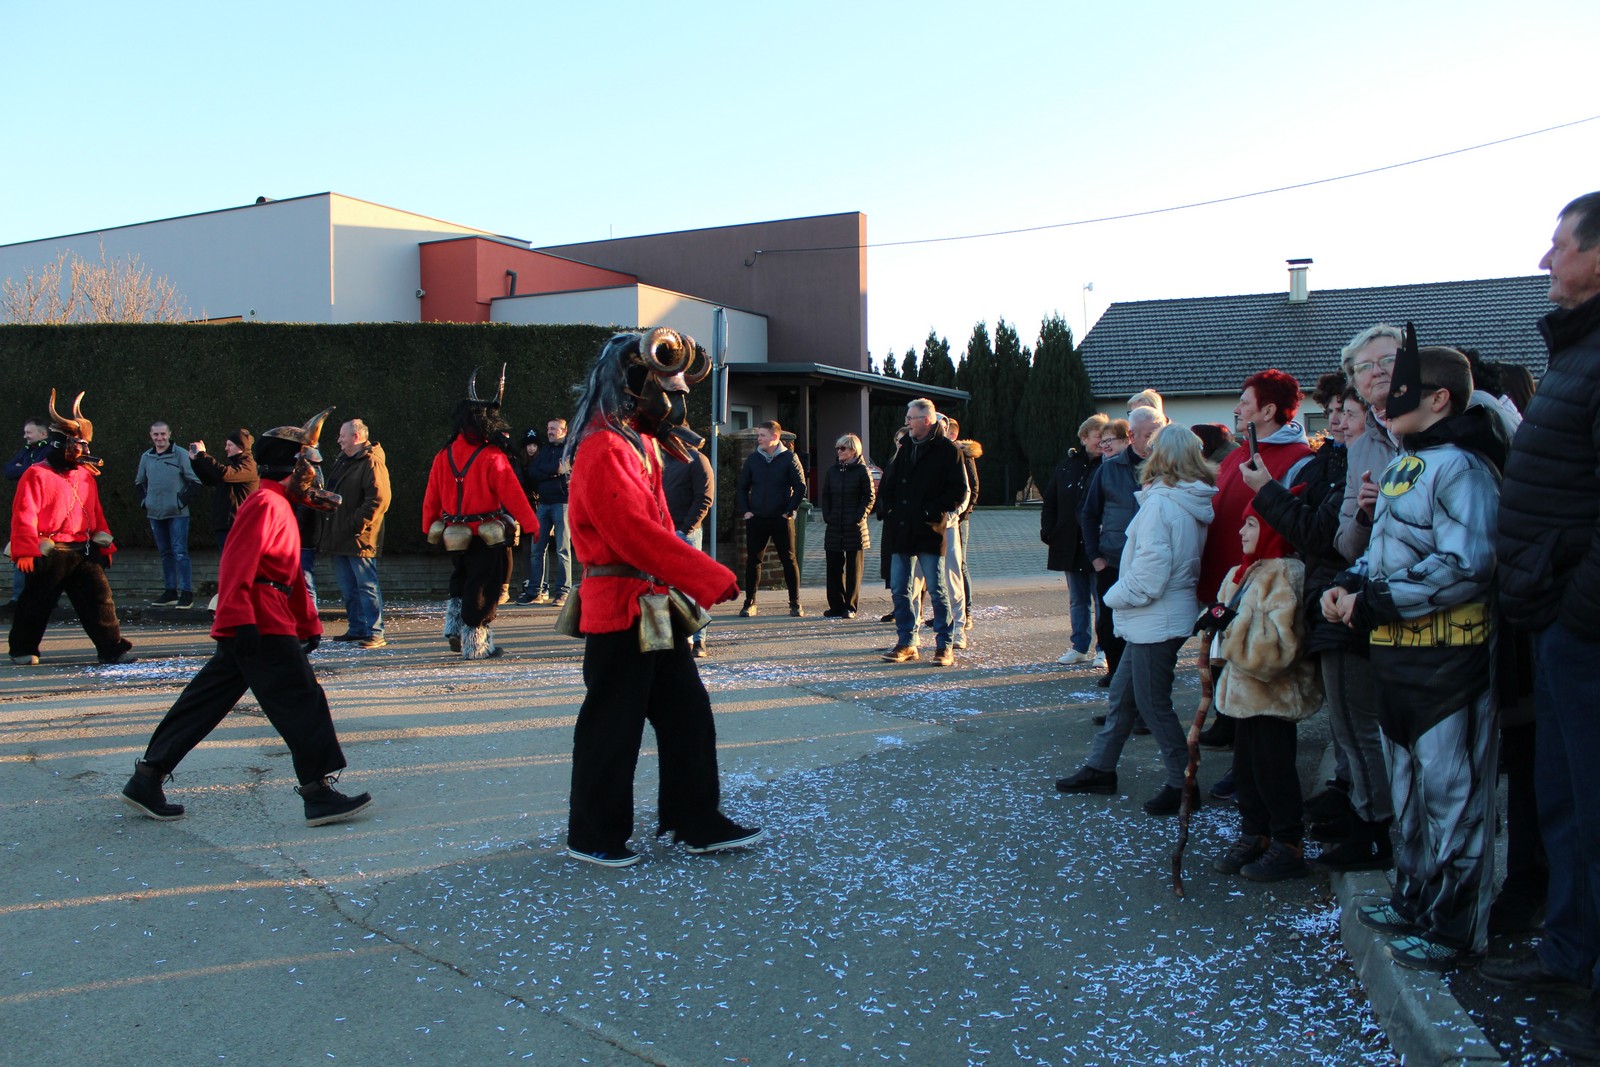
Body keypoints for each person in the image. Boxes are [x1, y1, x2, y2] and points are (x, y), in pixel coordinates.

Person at [1324, 335, 1503, 972]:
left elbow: (1468, 564)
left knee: (1454, 798)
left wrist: (1373, 598)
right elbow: (1387, 549)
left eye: (1400, 390)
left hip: (1449, 664)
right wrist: (1346, 584)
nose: (1382, 401)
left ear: (1439, 398)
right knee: (1409, 792)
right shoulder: (1408, 464)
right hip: (1398, 660)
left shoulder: (1462, 469)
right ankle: (1416, 897)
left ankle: (1455, 928)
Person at [119, 407, 374, 828]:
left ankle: (147, 777)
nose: (314, 476)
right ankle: (317, 793)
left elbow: (288, 575)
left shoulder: (278, 504)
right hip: (258, 620)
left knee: (205, 701)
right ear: (291, 467)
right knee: (302, 701)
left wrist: (307, 624)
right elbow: (237, 563)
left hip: (261, 617)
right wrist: (241, 618)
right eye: (307, 465)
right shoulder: (266, 502)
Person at [563, 328, 760, 867]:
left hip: (652, 602)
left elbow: (656, 527)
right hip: (620, 605)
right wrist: (704, 574)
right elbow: (632, 532)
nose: (678, 399)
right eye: (669, 388)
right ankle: (592, 834)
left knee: (687, 714)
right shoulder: (605, 446)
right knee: (612, 725)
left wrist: (688, 576)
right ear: (637, 384)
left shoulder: (637, 442)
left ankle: (694, 819)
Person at [1484, 191, 1600, 1057]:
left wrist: (1577, 607)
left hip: (1582, 627)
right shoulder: (1576, 354)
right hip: (1557, 622)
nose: (1544, 259)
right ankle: (1568, 950)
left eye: (1559, 244)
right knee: (1563, 799)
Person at [1056, 424, 1217, 815]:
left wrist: (1112, 598)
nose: (1145, 452)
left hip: (1155, 619)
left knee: (1152, 703)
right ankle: (1101, 767)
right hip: (1159, 616)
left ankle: (1183, 784)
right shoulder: (1179, 498)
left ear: (1163, 457)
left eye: (1153, 447)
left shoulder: (1164, 504)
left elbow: (1149, 577)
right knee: (1124, 694)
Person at [1194, 370, 1315, 749]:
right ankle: (1227, 721)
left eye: (1245, 403)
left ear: (1268, 410)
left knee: (1254, 663)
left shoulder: (1299, 460)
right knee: (1223, 651)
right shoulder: (1239, 454)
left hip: (1261, 584)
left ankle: (1249, 744)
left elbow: (1292, 522)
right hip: (1227, 576)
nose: (1236, 409)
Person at [1205, 504, 1323, 881]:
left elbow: (1277, 650)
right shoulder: (1247, 570)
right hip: (1244, 696)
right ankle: (1255, 832)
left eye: (1252, 525)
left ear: (1273, 531)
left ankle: (1288, 843)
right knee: (1246, 770)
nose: (1241, 532)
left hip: (1272, 695)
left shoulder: (1285, 574)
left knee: (1274, 770)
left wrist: (1229, 629)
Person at [8, 391, 136, 667]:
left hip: (83, 550)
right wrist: (26, 550)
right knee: (36, 603)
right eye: (78, 444)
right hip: (51, 552)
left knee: (100, 602)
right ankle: (22, 648)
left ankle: (112, 649)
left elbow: (94, 512)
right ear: (60, 444)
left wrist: (105, 547)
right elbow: (23, 514)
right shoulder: (36, 474)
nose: (83, 450)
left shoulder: (85, 475)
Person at [421, 369, 540, 660]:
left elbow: (431, 496)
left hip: (453, 532)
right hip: (486, 534)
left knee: (460, 577)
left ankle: (454, 628)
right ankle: (475, 643)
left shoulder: (444, 454)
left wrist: (428, 525)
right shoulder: (492, 456)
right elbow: (513, 495)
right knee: (483, 584)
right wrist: (532, 525)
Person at [879, 398, 968, 666]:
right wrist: (888, 510)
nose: (907, 422)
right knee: (900, 589)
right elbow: (889, 483)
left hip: (929, 530)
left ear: (926, 420)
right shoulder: (905, 448)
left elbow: (958, 491)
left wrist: (930, 511)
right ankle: (907, 642)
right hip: (901, 530)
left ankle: (944, 645)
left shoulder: (947, 451)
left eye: (911, 418)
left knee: (938, 590)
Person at [1079, 407, 1161, 686]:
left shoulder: (1167, 470)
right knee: (1110, 622)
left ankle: (1146, 679)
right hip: (1113, 560)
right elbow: (1089, 514)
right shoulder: (1109, 469)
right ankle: (1116, 674)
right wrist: (1096, 557)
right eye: (1148, 435)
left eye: (1157, 434)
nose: (1153, 441)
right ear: (1132, 435)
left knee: (1148, 622)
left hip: (1151, 561)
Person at [317, 419, 390, 649]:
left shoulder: (371, 462)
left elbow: (379, 500)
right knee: (349, 588)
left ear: (356, 437)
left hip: (360, 538)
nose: (339, 440)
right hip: (342, 535)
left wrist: (354, 525)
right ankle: (358, 628)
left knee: (366, 586)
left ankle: (375, 632)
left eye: (342, 435)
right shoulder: (345, 461)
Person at [1043, 413, 1108, 667]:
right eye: (1098, 437)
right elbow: (1051, 500)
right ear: (1084, 438)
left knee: (1102, 599)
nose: (1102, 442)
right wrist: (1048, 531)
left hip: (1099, 544)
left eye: (1105, 437)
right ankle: (1079, 646)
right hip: (1070, 543)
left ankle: (1104, 648)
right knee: (1077, 600)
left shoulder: (1109, 465)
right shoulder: (1067, 467)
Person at [735, 420, 807, 617]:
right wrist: (747, 511)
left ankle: (795, 603)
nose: (759, 439)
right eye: (758, 435)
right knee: (753, 561)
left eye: (762, 435)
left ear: (775, 437)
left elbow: (800, 486)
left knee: (789, 560)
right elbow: (742, 487)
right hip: (757, 517)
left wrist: (789, 510)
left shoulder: (789, 458)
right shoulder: (753, 459)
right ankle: (750, 602)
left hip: (781, 518)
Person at [136, 419, 202, 608]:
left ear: (169, 434)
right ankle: (170, 591)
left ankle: (186, 593)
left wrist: (180, 502)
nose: (160, 438)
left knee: (180, 552)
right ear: (151, 436)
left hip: (178, 514)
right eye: (156, 434)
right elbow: (139, 482)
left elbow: (195, 482)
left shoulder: (181, 454)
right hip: (155, 514)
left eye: (163, 434)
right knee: (165, 553)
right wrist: (146, 502)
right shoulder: (146, 457)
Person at [663, 434, 716, 656]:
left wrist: (685, 529)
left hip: (686, 533)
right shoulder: (664, 460)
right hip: (664, 532)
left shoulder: (697, 459)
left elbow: (705, 497)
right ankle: (680, 639)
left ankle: (698, 639)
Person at [818, 433, 875, 619]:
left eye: (843, 448)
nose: (839, 451)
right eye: (837, 448)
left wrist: (858, 517)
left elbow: (869, 497)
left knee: (853, 570)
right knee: (833, 568)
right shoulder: (832, 471)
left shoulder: (862, 471)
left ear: (853, 450)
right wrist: (827, 515)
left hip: (855, 527)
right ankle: (836, 605)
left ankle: (850, 606)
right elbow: (826, 495)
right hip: (835, 525)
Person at [523, 418, 572, 606]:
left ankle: (563, 592)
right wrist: (554, 471)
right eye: (549, 428)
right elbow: (533, 471)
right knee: (537, 550)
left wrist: (549, 471)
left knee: (562, 550)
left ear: (564, 430)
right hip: (543, 504)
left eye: (554, 428)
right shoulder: (545, 450)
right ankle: (534, 591)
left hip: (562, 504)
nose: (550, 431)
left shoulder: (570, 449)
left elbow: (563, 467)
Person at [188, 430, 260, 551]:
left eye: (230, 445)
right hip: (227, 526)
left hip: (239, 526)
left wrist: (202, 455)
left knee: (235, 561)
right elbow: (209, 479)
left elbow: (222, 474)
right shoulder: (235, 467)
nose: (226, 448)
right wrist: (195, 461)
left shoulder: (248, 466)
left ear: (241, 446)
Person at [4, 416, 50, 605]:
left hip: (43, 509)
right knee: (21, 547)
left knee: (42, 551)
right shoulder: (26, 450)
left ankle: (39, 597)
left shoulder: (50, 450)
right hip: (25, 507)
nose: (25, 436)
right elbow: (7, 470)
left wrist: (22, 468)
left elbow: (41, 471)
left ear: (43, 434)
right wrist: (28, 468)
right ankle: (19, 597)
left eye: (29, 432)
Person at [946, 416, 981, 643]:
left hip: (959, 519)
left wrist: (962, 514)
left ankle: (966, 613)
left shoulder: (963, 455)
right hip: (945, 520)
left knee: (959, 564)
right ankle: (946, 613)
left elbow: (972, 488)